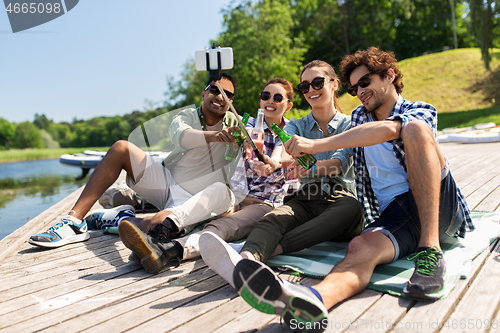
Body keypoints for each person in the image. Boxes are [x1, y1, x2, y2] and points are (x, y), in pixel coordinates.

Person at [232, 47, 474, 332]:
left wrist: (316, 147)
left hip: (438, 208)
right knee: (360, 247)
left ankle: (430, 251)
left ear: (390, 75)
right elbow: (300, 145)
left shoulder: (419, 109)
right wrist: (276, 160)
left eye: (365, 82)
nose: (360, 91)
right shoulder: (359, 117)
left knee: (415, 130)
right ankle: (311, 304)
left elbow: (386, 131)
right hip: (397, 215)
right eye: (354, 88)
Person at [200, 60, 363, 291]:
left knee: (351, 208)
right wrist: (274, 162)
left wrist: (312, 167)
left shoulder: (350, 123)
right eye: (304, 86)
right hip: (306, 198)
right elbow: (283, 147)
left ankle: (272, 251)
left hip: (340, 197)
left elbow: (340, 163)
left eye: (317, 82)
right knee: (274, 218)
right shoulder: (296, 125)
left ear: (334, 84)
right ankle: (246, 259)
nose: (311, 90)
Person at [28, 73, 240, 248]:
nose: (220, 97)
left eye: (227, 95)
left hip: (195, 199)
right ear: (204, 93)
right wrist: (214, 136)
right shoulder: (185, 115)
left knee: (159, 225)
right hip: (166, 183)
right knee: (121, 147)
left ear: (231, 101)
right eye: (215, 90)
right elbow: (182, 137)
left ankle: (118, 218)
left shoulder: (238, 125)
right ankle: (73, 222)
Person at [117, 77, 297, 275]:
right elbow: (231, 150)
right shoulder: (246, 125)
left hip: (262, 204)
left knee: (219, 227)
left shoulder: (290, 131)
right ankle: (163, 230)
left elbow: (282, 154)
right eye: (266, 96)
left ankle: (168, 250)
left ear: (288, 106)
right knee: (218, 189)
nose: (270, 100)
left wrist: (273, 163)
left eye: (277, 98)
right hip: (237, 198)